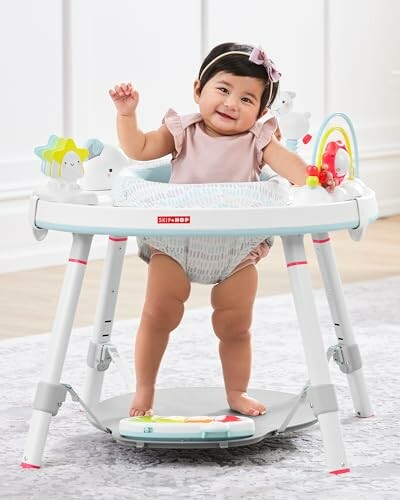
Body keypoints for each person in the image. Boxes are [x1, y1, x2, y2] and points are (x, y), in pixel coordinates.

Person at [109, 42, 335, 418]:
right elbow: (140, 148)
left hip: (236, 250)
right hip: (176, 243)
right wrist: (127, 116)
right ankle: (145, 388)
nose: (232, 104)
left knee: (235, 326)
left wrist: (320, 179)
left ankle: (236, 391)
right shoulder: (182, 131)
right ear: (198, 90)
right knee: (157, 314)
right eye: (223, 90)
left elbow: (293, 170)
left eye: (247, 100)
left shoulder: (259, 140)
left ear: (261, 112)